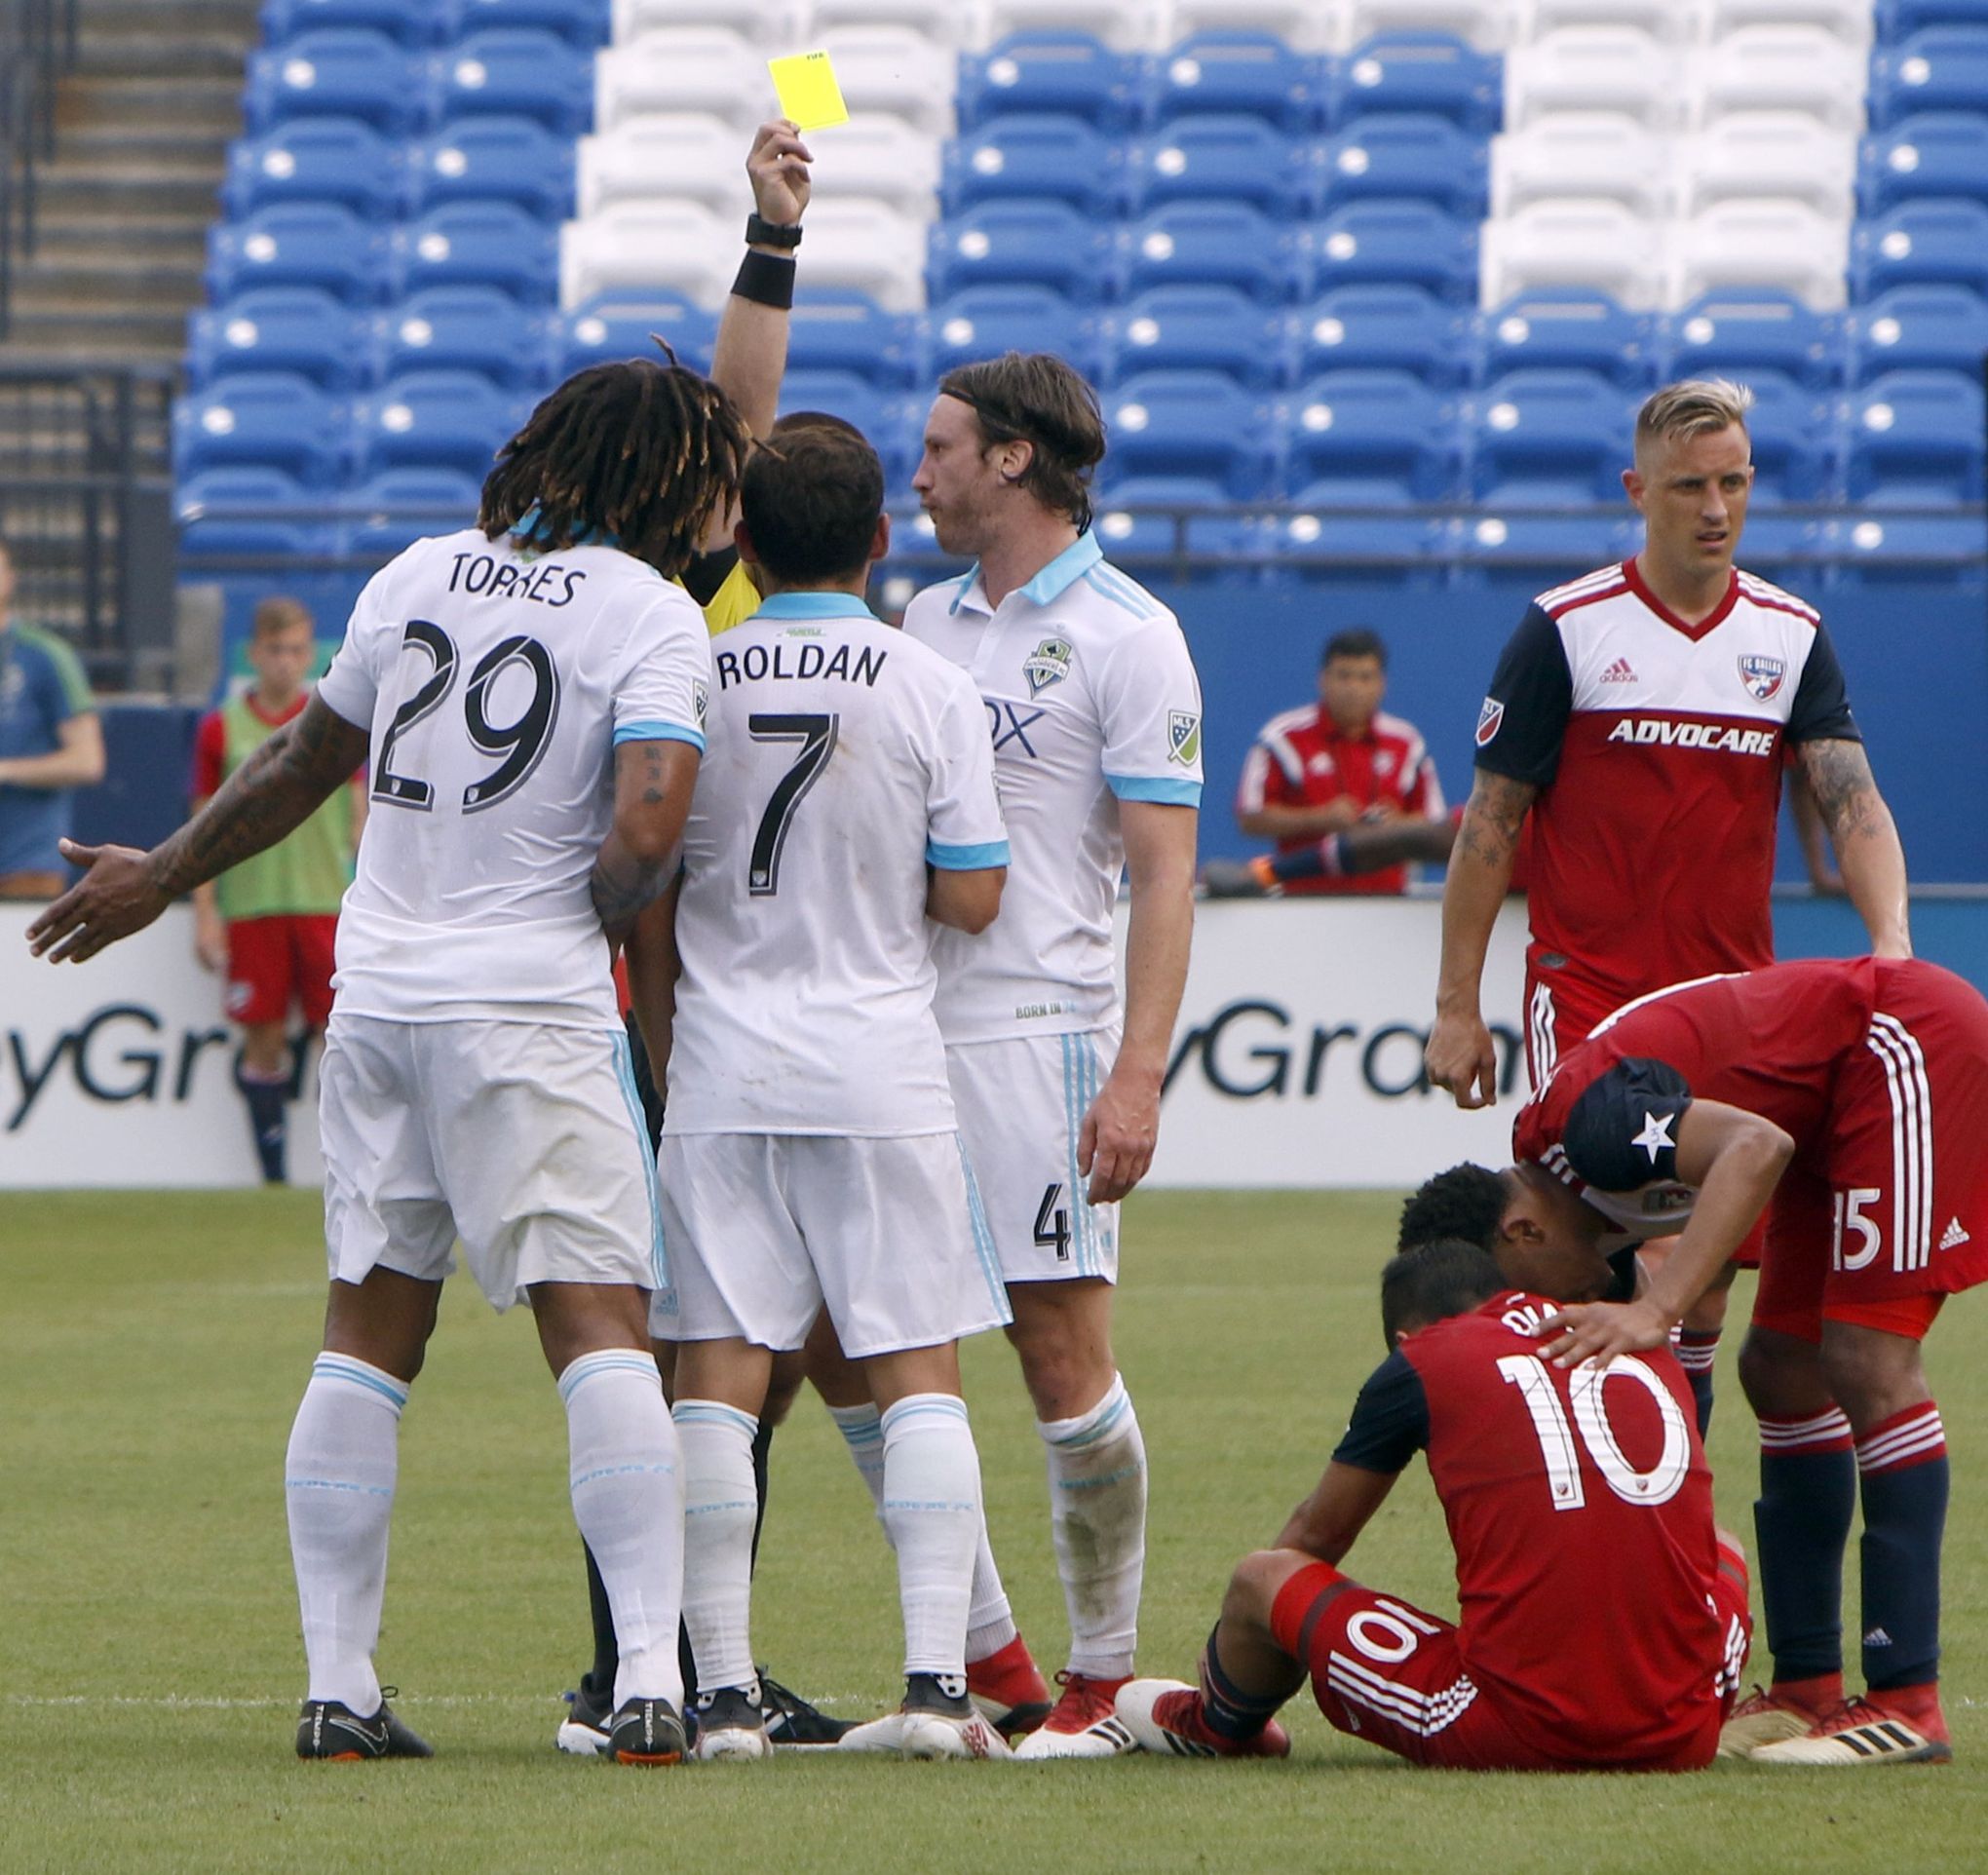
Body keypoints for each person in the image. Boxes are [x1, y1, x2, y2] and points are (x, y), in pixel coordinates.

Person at [29, 354, 753, 1767]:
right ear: (669, 482)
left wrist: (164, 872)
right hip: (529, 1011)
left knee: (366, 1335)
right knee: (599, 1325)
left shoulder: (418, 573)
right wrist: (579, 915)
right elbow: (648, 835)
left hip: (379, 1003)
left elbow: (302, 766)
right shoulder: (656, 615)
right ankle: (656, 1682)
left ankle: (338, 1688)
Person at [1425, 377, 1911, 1435]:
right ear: (1638, 490)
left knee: (1702, 1287)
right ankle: (1626, 1526)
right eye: (1691, 485)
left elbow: (1851, 797)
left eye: (1735, 481)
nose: (1717, 508)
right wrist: (1456, 1002)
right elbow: (1490, 825)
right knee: (1625, 1258)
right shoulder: (1566, 629)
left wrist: (1895, 951)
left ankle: (1670, 1535)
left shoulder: (1788, 635)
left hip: (1733, 1009)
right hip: (1592, 1000)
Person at [637, 414, 1014, 1761]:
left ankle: (723, 1697)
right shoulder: (928, 686)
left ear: (741, 534)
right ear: (877, 538)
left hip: (726, 1065)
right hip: (878, 1063)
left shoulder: (694, 670)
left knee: (717, 1377)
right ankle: (933, 1690)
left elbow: (648, 882)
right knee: (919, 1371)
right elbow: (972, 896)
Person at [554, 116, 859, 1757]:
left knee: (711, 1349)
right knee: (677, 1348)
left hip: (701, 1023)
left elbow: (736, 418)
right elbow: (735, 420)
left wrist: (772, 237)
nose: (733, 471)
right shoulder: (652, 600)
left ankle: (667, 1656)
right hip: (652, 1022)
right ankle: (644, 1666)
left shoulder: (649, 585)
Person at [904, 351, 1204, 1757]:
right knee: (893, 1351)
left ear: (1015, 458)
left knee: (1058, 1355)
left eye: (944, 446)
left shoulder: (1132, 636)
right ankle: (994, 1664)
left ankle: (1099, 1678)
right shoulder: (919, 618)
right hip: (901, 1036)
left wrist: (1138, 1070)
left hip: (1042, 1038)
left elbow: (1164, 874)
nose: (923, 471)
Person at [1501, 956, 1988, 1765]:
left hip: (1902, 1043)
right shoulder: (1567, 1161)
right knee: (1781, 1369)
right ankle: (1806, 1688)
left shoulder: (1586, 1130)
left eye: (1528, 1293)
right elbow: (1713, 1223)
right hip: (1826, 1105)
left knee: (1868, 1358)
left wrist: (1657, 1310)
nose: (1551, 1310)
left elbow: (1753, 1146)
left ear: (1522, 1232)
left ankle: (1908, 1702)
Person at [1115, 1239, 1751, 1771]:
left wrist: (1233, 1648)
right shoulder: (1624, 1332)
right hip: (1685, 1729)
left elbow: (1316, 1536)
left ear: (1403, 1336)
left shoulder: (1426, 1356)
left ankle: (1218, 1723)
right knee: (1723, 1545)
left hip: (1519, 1728)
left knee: (1261, 1579)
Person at [190, 596, 363, 1184]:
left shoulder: (333, 719)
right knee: (263, 1034)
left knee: (336, 1036)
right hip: (255, 900)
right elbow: (202, 826)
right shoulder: (222, 728)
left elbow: (361, 814)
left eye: (298, 650)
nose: (287, 663)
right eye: (276, 650)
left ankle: (343, 1167)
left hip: (324, 902)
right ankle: (270, 1175)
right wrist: (205, 911)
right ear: (255, 653)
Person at [1229, 628, 1443, 897]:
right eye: (1344, 676)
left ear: (1382, 684)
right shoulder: (1284, 738)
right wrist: (1320, 819)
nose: (1354, 688)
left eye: (1365, 678)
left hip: (1389, 905)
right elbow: (1250, 816)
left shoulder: (1407, 743)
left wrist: (1397, 825)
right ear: (1323, 679)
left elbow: (1436, 825)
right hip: (1305, 903)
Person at [0, 538, 105, 899]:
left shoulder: (45, 656)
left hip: (25, 864)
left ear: (10, 578)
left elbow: (87, 760)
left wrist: (6, 770)